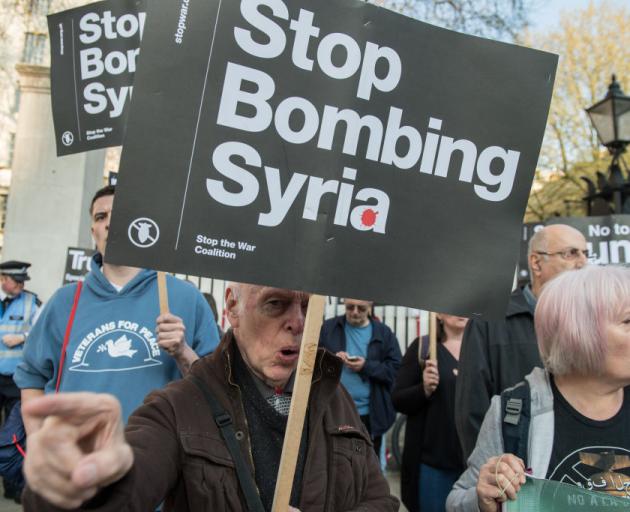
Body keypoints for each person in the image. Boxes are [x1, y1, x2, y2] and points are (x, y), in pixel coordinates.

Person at [20, 283, 400, 511]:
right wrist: (87, 480)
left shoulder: (336, 397)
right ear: (232, 307)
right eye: (276, 304)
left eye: (308, 306)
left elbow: (380, 500)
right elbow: (133, 481)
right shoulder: (177, 407)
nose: (297, 322)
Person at [14, 185, 220, 429]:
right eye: (101, 217)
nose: (110, 223)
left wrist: (183, 351)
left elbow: (216, 387)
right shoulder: (63, 302)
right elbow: (31, 377)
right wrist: (41, 444)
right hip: (77, 458)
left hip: (159, 458)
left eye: (120, 214)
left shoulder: (185, 297)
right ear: (94, 231)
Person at [446, 265, 630, 511]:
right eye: (628, 320)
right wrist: (483, 499)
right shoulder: (515, 412)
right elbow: (457, 501)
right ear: (580, 331)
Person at [455, 224, 588, 460]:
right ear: (536, 263)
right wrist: (490, 474)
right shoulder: (490, 321)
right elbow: (472, 408)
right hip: (514, 475)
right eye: (571, 253)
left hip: (575, 471)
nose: (582, 263)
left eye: (586, 253)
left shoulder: (594, 321)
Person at [392, 314, 468, 512]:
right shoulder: (424, 348)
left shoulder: (480, 349)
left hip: (470, 464)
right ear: (439, 315)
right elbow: (398, 399)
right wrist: (423, 389)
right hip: (433, 466)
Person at [319, 298, 402, 455]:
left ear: (370, 305)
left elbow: (396, 371)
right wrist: (332, 360)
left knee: (368, 466)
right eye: (350, 307)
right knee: (337, 462)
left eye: (361, 308)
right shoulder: (329, 328)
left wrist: (366, 366)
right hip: (334, 411)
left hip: (370, 415)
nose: (355, 312)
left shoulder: (383, 333)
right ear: (344, 303)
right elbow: (312, 361)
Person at [0, 260, 39, 502]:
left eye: (23, 280)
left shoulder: (33, 302)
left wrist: (22, 336)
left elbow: (40, 332)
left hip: (15, 380)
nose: (22, 285)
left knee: (13, 434)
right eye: (17, 280)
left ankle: (12, 487)